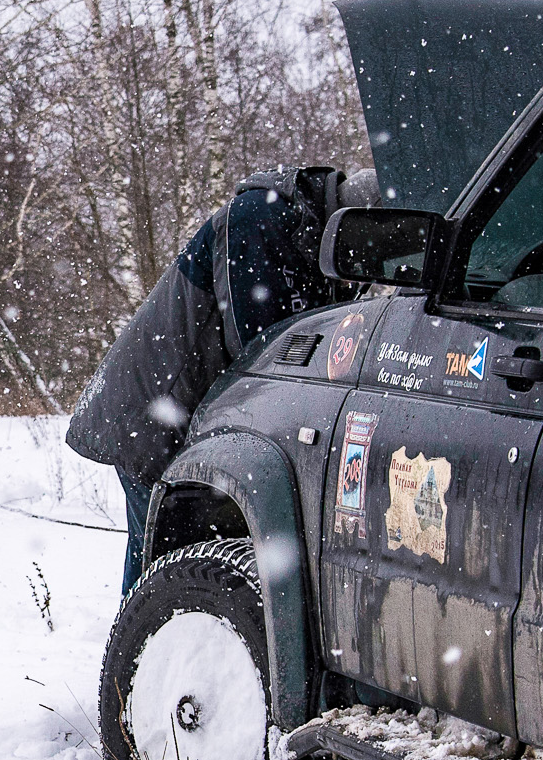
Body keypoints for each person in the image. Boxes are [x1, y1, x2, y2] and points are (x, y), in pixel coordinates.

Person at [67, 165, 378, 595]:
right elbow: (262, 351)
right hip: (153, 414)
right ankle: (138, 658)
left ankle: (167, 651)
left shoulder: (310, 243)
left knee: (187, 575)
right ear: (350, 223)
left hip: (190, 417)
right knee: (160, 579)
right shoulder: (257, 219)